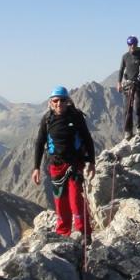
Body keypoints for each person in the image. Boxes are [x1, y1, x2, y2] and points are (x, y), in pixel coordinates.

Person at [32, 86, 96, 236]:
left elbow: (87, 139)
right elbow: (40, 142)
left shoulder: (76, 117)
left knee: (75, 200)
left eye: (62, 100)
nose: (59, 103)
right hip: (56, 165)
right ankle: (63, 232)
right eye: (55, 100)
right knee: (60, 202)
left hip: (75, 165)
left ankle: (84, 233)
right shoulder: (47, 120)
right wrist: (36, 168)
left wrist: (91, 162)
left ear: (68, 101)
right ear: (50, 102)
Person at [116, 35, 140, 139]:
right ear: (128, 45)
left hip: (139, 84)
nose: (132, 46)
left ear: (137, 44)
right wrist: (119, 83)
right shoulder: (125, 56)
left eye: (134, 44)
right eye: (130, 44)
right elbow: (121, 70)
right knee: (127, 109)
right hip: (128, 85)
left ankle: (139, 129)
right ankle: (128, 131)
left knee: (138, 107)